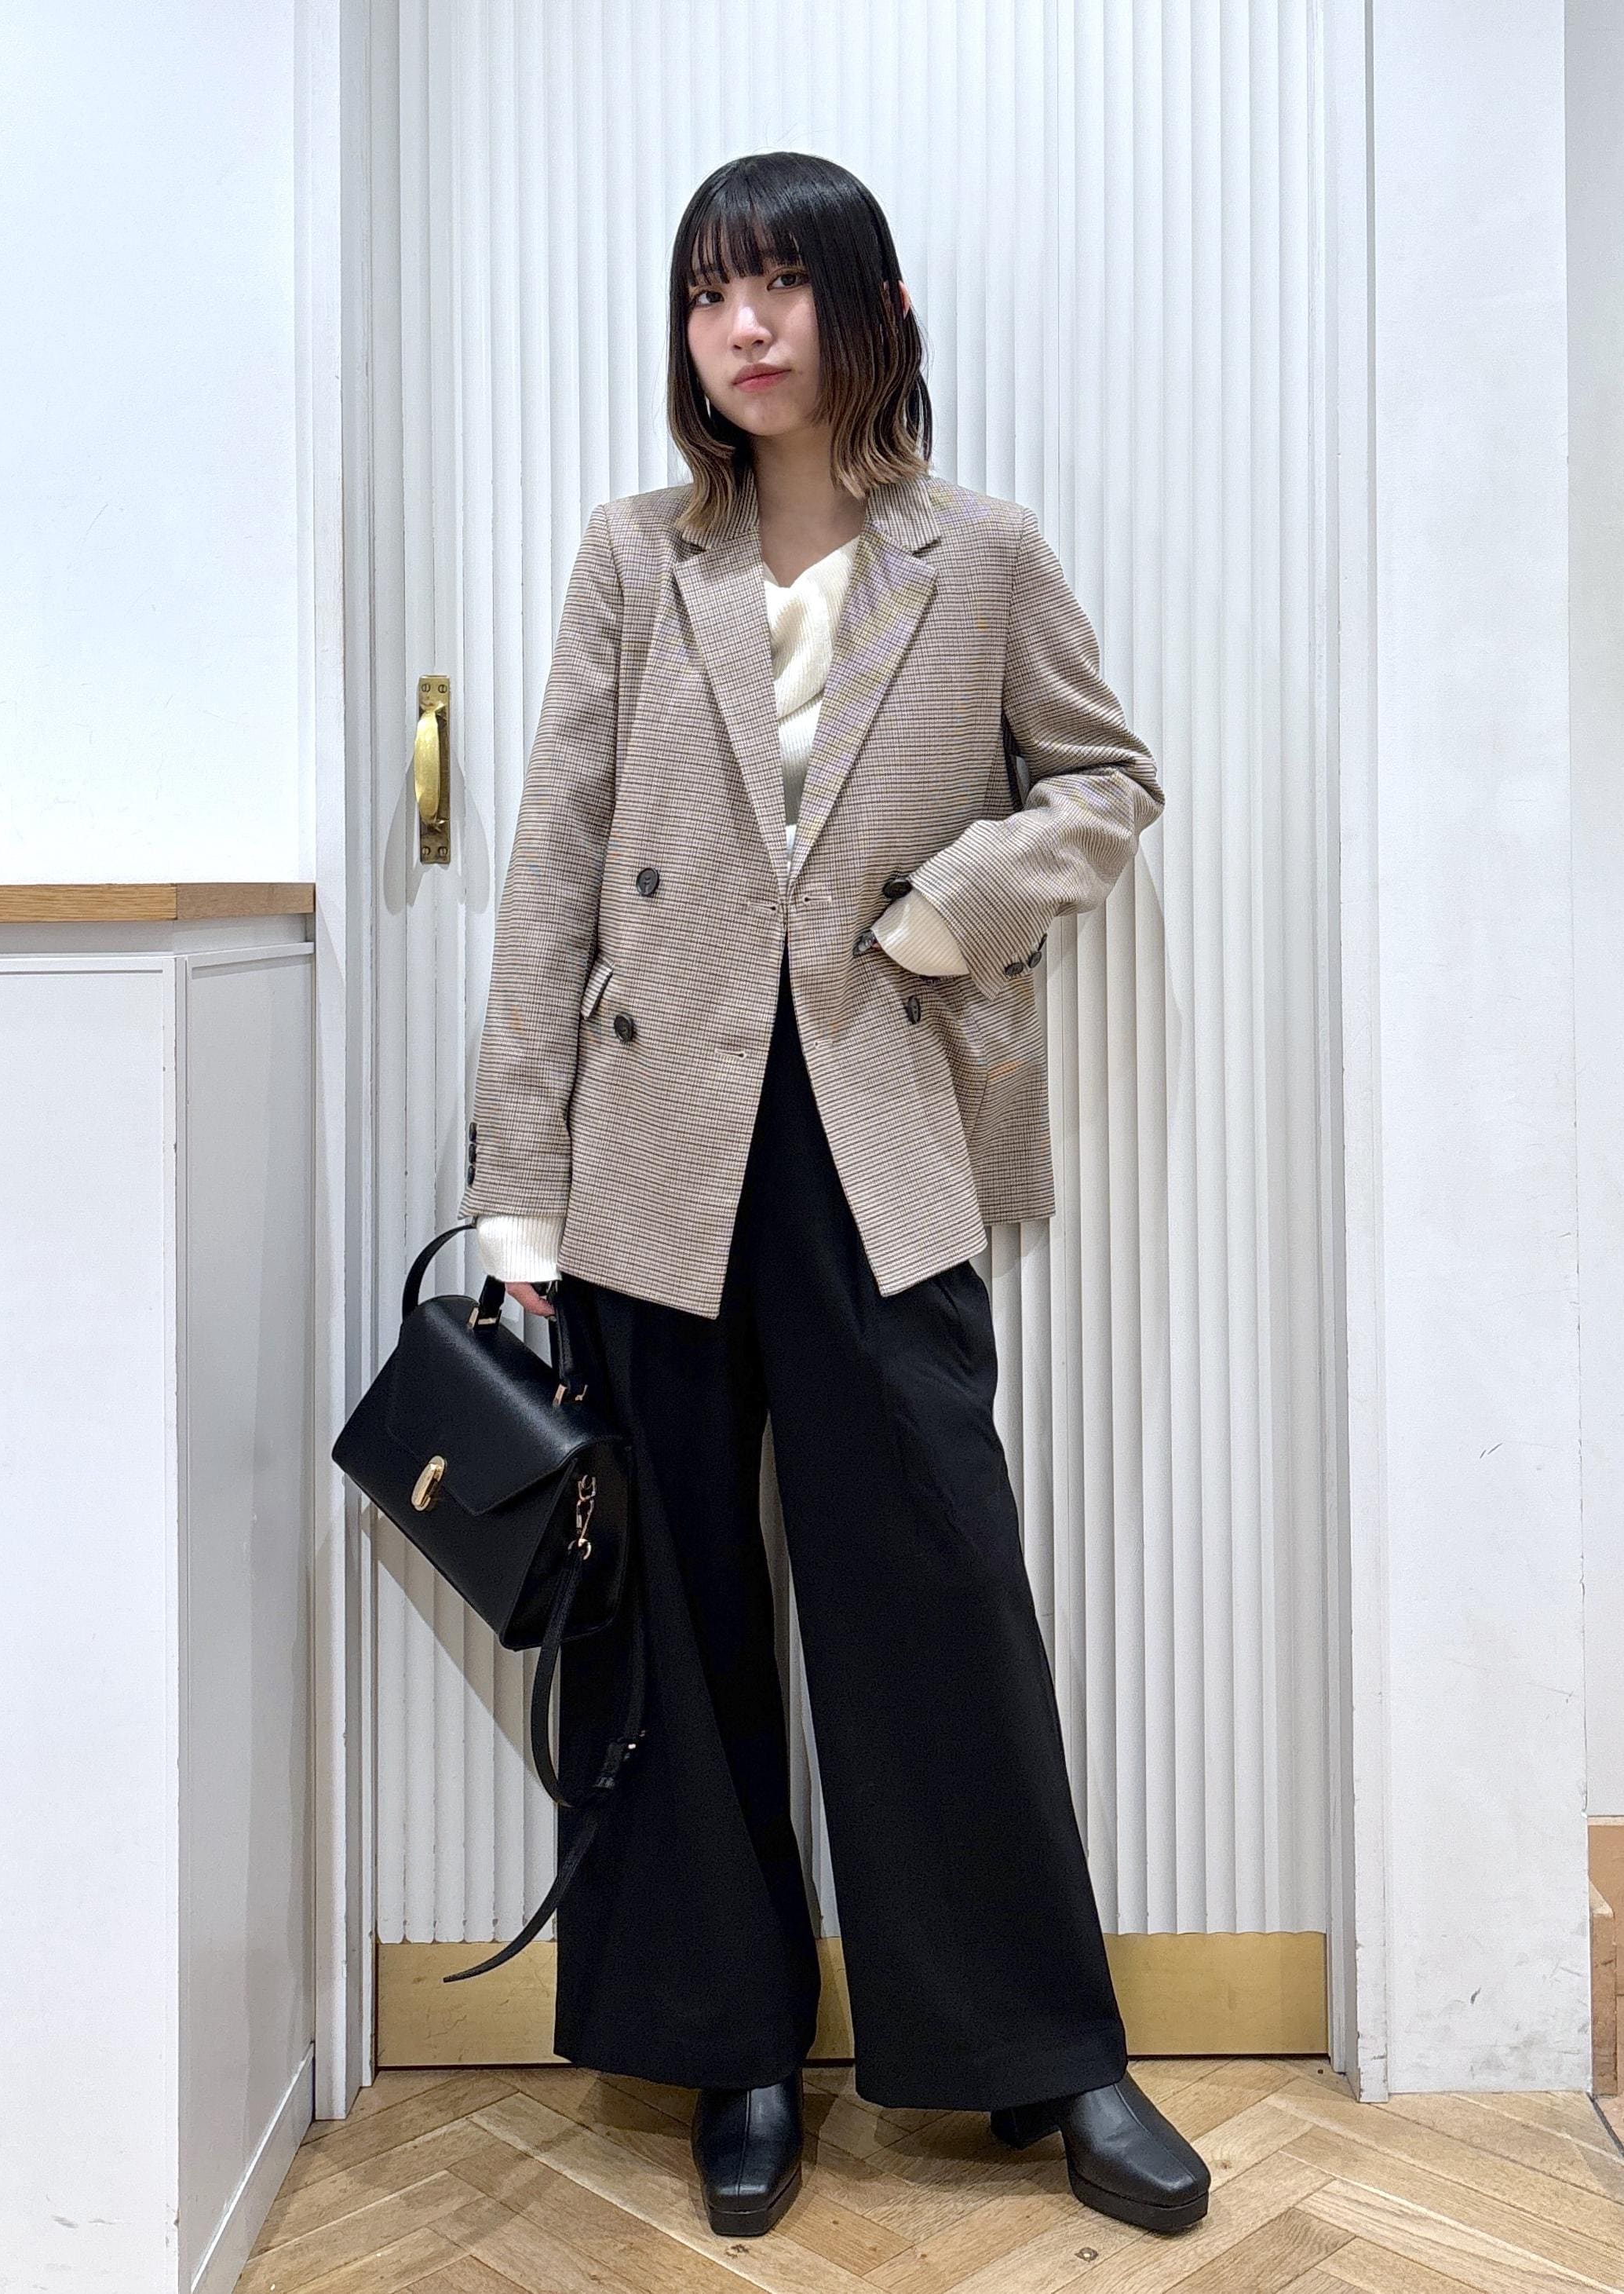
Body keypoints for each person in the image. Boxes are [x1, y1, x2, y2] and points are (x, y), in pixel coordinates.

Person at [459, 150, 1211, 2241]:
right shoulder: (635, 557)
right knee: (684, 1604)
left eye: (782, 283)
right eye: (712, 291)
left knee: (935, 1586)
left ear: (868, 309)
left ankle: (1041, 2049)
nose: (745, 325)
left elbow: (1109, 782)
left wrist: (949, 909)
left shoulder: (983, 554)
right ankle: (731, 2051)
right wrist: (520, 1187)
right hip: (656, 1145)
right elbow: (551, 866)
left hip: (882, 1128)